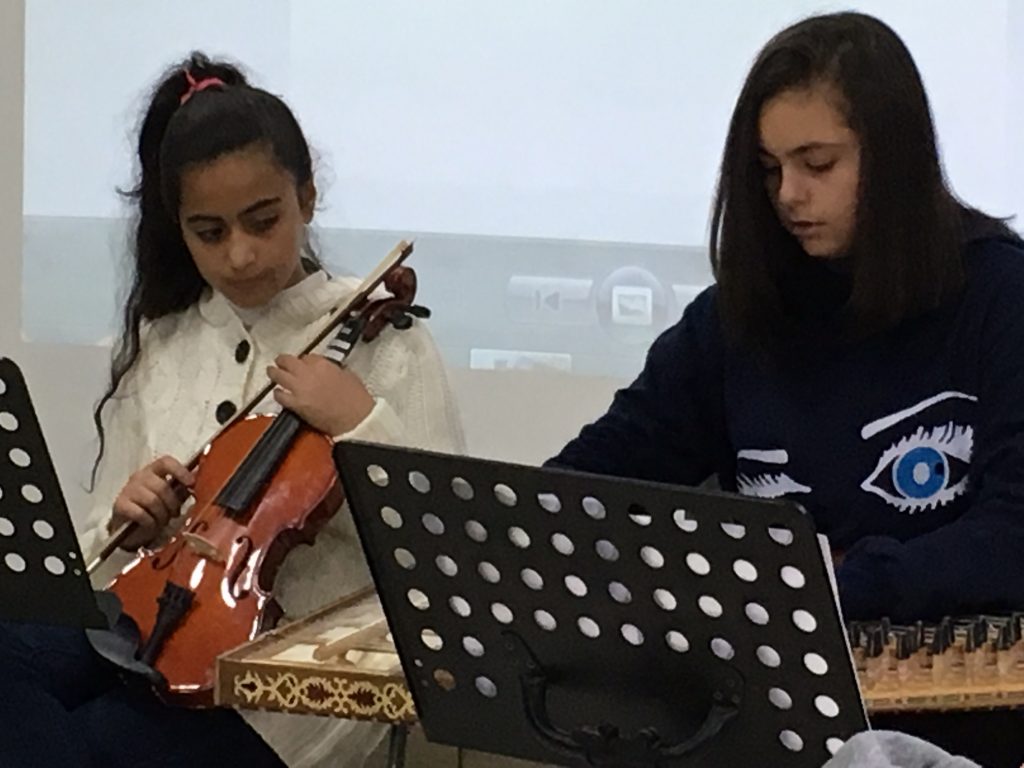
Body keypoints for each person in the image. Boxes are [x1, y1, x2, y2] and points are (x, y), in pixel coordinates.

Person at [547, 12, 1024, 767]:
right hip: (770, 720)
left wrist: (838, 580)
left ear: (894, 159)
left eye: (817, 164)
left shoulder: (999, 293)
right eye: (769, 169)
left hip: (964, 721)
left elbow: (1014, 529)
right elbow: (589, 481)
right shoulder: (736, 320)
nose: (789, 196)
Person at [0, 53, 463, 768]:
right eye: (210, 232)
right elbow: (98, 551)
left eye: (263, 221)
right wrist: (128, 521)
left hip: (286, 686)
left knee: (98, 744)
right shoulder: (166, 340)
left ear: (306, 197)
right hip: (141, 626)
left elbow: (444, 553)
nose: (240, 255)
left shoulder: (387, 342)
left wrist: (360, 423)